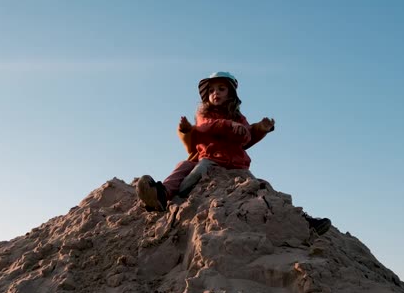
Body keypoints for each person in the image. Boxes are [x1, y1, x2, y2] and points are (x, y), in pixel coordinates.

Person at [136, 71, 330, 235]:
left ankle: (304, 222)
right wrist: (226, 125)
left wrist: (258, 128)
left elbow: (246, 137)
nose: (215, 93)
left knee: (263, 188)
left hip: (238, 165)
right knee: (190, 173)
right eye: (211, 90)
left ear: (231, 94)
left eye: (221, 89)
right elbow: (204, 128)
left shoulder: (239, 118)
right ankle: (166, 196)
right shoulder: (205, 114)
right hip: (210, 160)